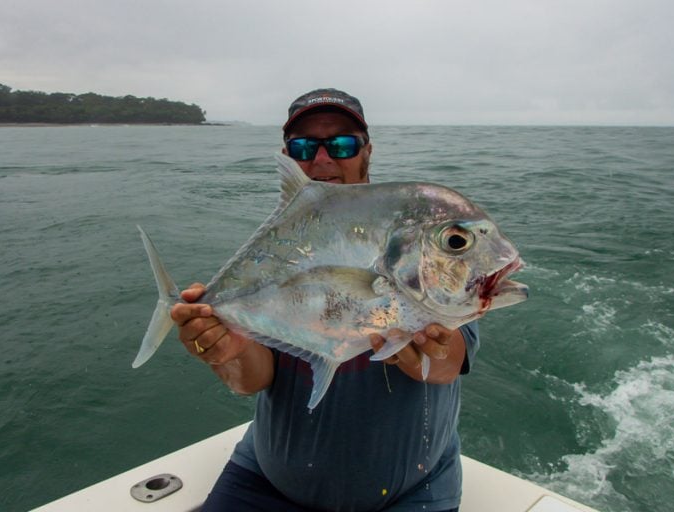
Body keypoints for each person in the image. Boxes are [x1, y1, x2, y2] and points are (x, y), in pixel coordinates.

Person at [171, 88, 480, 512]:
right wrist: (228, 349)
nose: (322, 160)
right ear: (288, 155)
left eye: (341, 144)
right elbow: (251, 381)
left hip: (413, 492)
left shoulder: (409, 232)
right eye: (303, 147)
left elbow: (449, 364)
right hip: (265, 482)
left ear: (367, 152)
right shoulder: (276, 253)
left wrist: (430, 353)